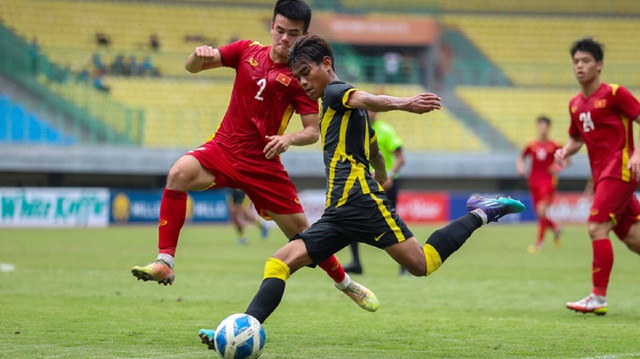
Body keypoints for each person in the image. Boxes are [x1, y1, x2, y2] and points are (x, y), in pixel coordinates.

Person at [198, 35, 525, 347]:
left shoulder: (335, 93)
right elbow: (374, 151)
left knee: (422, 264)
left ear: (326, 64)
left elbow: (363, 98)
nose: (303, 82)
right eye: (297, 77)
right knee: (278, 263)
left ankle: (482, 211)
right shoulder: (336, 111)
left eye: (306, 73)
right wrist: (382, 174)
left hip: (361, 202)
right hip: (338, 211)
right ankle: (240, 331)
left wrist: (405, 103)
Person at [130, 0, 377, 313]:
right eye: (280, 30)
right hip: (224, 148)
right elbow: (191, 67)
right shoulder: (246, 50)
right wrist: (197, 55)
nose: (285, 38)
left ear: (304, 35)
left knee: (304, 236)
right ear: (271, 26)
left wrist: (288, 138)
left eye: (293, 34)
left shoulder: (301, 78)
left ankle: (345, 283)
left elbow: (312, 131)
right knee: (178, 173)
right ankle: (165, 261)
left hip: (263, 164)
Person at [555, 37, 640, 315]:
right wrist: (565, 151)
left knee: (596, 228)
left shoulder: (616, 93)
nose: (579, 66)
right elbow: (576, 138)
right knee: (634, 240)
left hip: (621, 170)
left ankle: (598, 297)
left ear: (599, 65)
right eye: (576, 62)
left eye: (586, 61)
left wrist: (637, 152)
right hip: (602, 174)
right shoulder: (575, 104)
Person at [344, 108, 406, 275]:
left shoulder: (385, 130)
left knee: (391, 222)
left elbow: (400, 158)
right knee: (352, 218)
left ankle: (406, 263)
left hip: (387, 182)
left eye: (371, 109)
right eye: (365, 109)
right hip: (364, 181)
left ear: (376, 112)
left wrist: (390, 174)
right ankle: (356, 262)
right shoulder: (355, 129)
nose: (368, 113)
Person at [516, 116, 564, 253]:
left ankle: (539, 243)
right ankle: (555, 228)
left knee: (542, 210)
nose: (543, 129)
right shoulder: (531, 145)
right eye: (540, 126)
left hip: (548, 182)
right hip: (533, 182)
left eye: (545, 126)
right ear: (538, 127)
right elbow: (521, 157)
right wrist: (520, 167)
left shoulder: (555, 145)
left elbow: (566, 160)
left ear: (549, 128)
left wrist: (557, 167)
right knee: (540, 213)